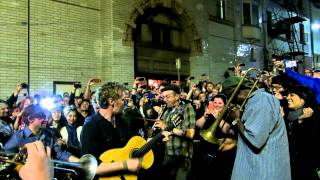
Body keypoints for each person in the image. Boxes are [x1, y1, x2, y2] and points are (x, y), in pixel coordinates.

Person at [222, 76, 291, 180]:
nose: (232, 101)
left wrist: (236, 119)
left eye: (231, 96)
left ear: (239, 91)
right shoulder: (256, 100)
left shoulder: (261, 100)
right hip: (257, 169)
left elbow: (255, 140)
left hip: (263, 171)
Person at [80, 83, 141, 178]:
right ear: (111, 101)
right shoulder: (91, 126)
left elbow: (129, 147)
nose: (124, 103)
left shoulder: (122, 122)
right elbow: (89, 167)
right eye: (122, 100)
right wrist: (124, 165)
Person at [4, 104, 79, 162]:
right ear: (30, 119)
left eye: (45, 116)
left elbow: (60, 154)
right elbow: (6, 156)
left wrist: (79, 162)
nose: (45, 119)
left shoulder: (49, 134)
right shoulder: (19, 137)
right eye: (41, 116)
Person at [153, 84, 196, 180]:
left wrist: (167, 127)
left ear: (177, 96)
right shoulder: (167, 111)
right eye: (163, 97)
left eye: (167, 97)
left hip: (182, 155)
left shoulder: (187, 108)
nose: (165, 99)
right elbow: (165, 131)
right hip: (168, 154)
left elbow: (191, 133)